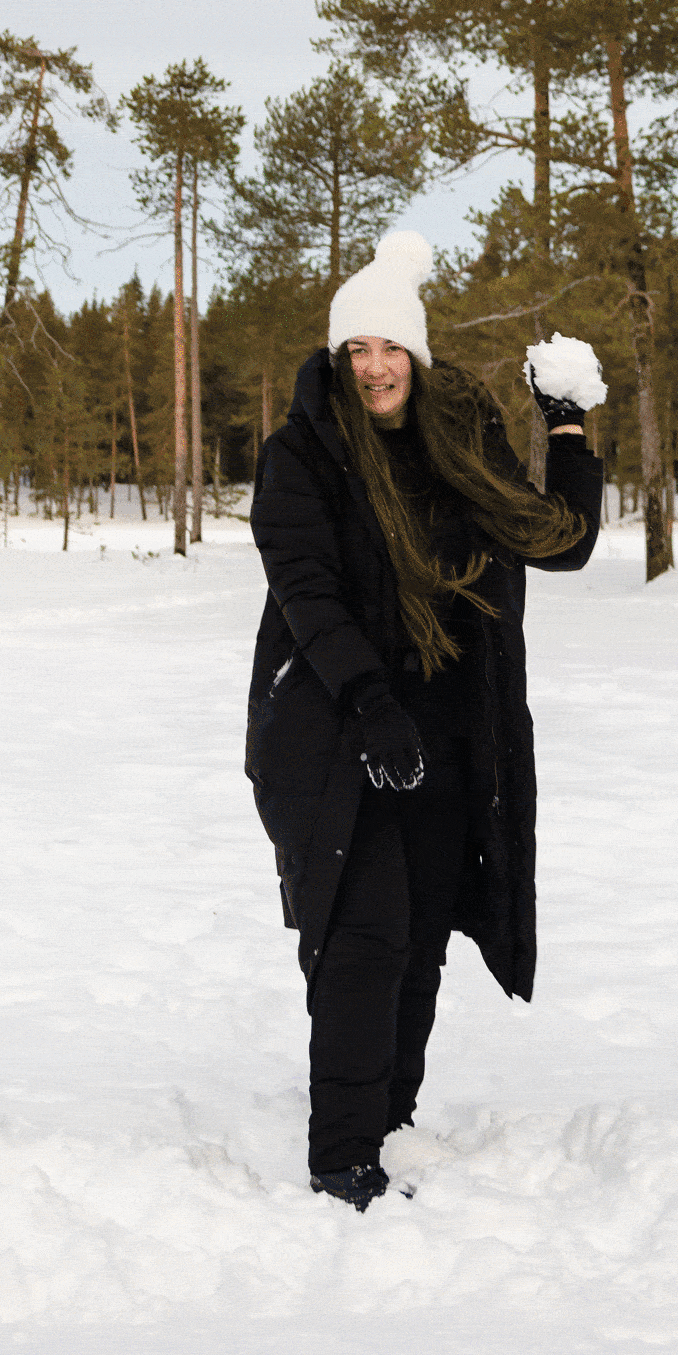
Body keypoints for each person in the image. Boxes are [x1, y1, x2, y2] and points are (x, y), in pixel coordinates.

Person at [246, 231, 602, 1211]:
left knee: (420, 938)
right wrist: (370, 705)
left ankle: (389, 1120)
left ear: (416, 355)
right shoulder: (302, 454)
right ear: (336, 358)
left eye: (390, 347)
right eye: (357, 349)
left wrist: (568, 427)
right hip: (335, 727)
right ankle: (342, 1155)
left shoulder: (459, 442)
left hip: (447, 731)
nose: (374, 366)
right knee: (363, 936)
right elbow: (309, 594)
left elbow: (559, 541)